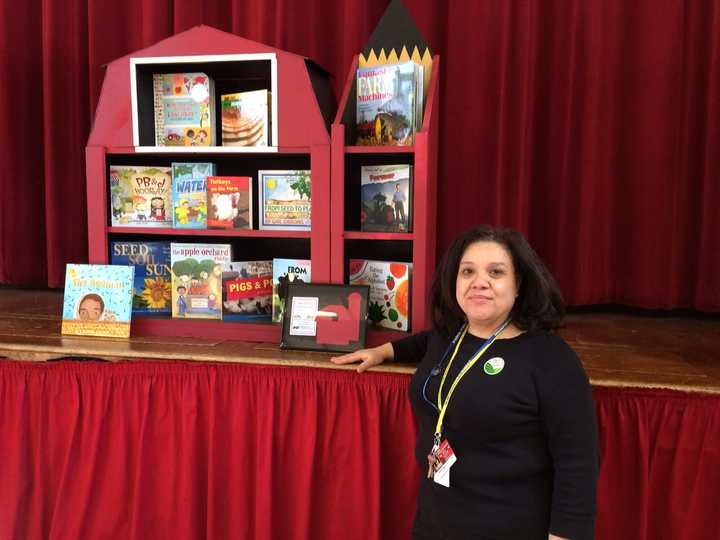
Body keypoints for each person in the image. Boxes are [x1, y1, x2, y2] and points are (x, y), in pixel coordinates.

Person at [332, 225, 598, 540]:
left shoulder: (551, 359)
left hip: (510, 526)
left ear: (518, 285)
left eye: (496, 272)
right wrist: (382, 351)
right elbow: (423, 343)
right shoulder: (450, 337)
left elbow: (577, 465)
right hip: (435, 521)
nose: (479, 282)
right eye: (467, 271)